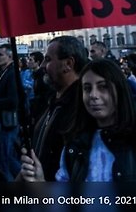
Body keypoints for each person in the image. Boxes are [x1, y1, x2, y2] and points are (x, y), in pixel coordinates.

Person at [20, 59, 136, 182]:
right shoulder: (74, 146)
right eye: (87, 88)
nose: (94, 96)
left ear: (119, 90)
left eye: (103, 87)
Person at [28, 36, 89, 181]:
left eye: (48, 59)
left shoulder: (82, 106)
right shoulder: (53, 101)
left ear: (68, 64)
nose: (42, 65)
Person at [0, 43, 21, 179]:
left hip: (7, 123)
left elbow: (13, 101)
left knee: (6, 159)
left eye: (1, 55)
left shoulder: (12, 73)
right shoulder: (5, 73)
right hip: (2, 122)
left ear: (10, 56)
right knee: (6, 158)